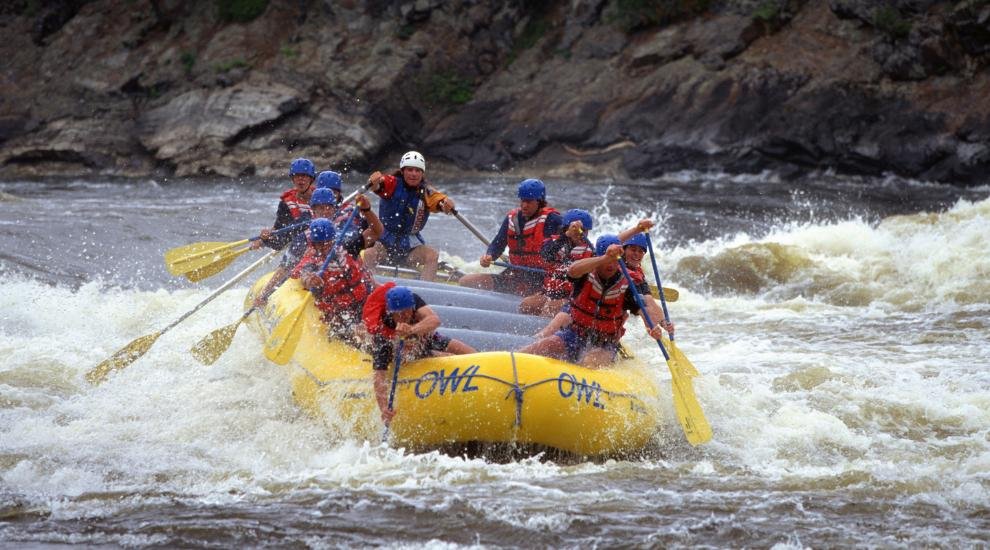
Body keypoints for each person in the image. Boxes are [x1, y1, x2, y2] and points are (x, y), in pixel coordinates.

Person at [519, 235, 673, 368]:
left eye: (616, 262)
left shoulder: (628, 285)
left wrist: (655, 326)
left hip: (604, 343)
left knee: (589, 362)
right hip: (574, 333)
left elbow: (645, 308)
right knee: (540, 346)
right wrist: (607, 257)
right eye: (608, 261)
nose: (612, 265)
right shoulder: (586, 273)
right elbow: (572, 270)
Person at [362, 283, 476, 425]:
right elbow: (379, 375)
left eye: (408, 312)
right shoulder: (382, 334)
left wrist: (412, 329)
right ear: (391, 312)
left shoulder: (413, 301)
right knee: (435, 357)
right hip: (397, 348)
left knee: (455, 346)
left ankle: (483, 362)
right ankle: (430, 355)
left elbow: (435, 320)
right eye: (400, 314)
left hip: (418, 335)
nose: (405, 316)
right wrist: (384, 408)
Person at [254, 187, 382, 307]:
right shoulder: (305, 243)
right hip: (335, 298)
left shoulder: (346, 233)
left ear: (334, 209)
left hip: (359, 287)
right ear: (313, 211)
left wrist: (367, 210)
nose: (325, 211)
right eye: (320, 208)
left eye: (328, 207)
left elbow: (376, 232)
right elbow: (288, 269)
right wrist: (264, 294)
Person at [458, 178, 562, 302]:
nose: (524, 205)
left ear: (539, 202)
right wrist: (489, 256)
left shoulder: (553, 220)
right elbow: (498, 244)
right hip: (515, 276)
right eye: (522, 201)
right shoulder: (512, 219)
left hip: (542, 281)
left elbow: (569, 246)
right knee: (466, 281)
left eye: (529, 202)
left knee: (528, 303)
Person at [363, 151, 456, 281]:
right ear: (402, 171)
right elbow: (378, 186)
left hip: (411, 246)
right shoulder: (392, 183)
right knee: (369, 254)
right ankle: (369, 287)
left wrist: (446, 205)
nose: (413, 174)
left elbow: (440, 201)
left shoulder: (427, 192)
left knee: (432, 255)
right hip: (385, 241)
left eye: (418, 170)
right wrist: (374, 182)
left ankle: (425, 292)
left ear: (422, 173)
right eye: (410, 170)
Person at [291, 218, 371, 343]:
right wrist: (310, 280)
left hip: (360, 304)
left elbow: (377, 231)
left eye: (326, 242)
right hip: (337, 313)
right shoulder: (312, 259)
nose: (323, 247)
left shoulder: (346, 248)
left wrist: (367, 211)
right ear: (313, 243)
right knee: (355, 334)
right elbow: (305, 274)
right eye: (319, 243)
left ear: (333, 240)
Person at [528, 208, 595, 316]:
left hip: (572, 298)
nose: (578, 233)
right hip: (549, 293)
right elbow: (546, 256)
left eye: (583, 230)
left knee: (550, 308)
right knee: (526, 304)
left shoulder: (591, 252)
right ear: (566, 228)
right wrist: (567, 235)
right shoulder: (555, 242)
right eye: (575, 229)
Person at [251, 158, 317, 250]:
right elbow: (280, 228)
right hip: (299, 242)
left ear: (311, 179)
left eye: (304, 176)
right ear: (292, 179)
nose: (300, 180)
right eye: (297, 176)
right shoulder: (286, 203)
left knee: (305, 217)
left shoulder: (322, 197)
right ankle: (264, 242)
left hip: (320, 240)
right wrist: (266, 236)